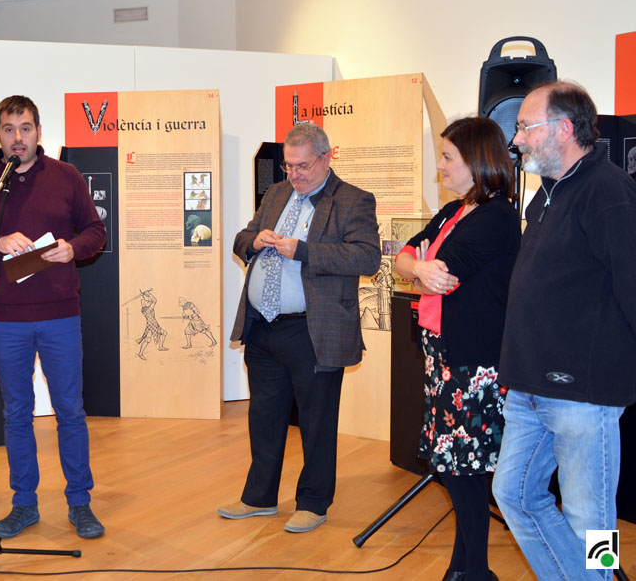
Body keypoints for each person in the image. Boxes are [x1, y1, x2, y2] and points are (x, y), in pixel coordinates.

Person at [492, 81, 636, 580]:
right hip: (530, 385)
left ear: (565, 129)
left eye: (526, 127)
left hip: (583, 393)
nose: (517, 140)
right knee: (513, 494)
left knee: (592, 524)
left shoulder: (608, 190)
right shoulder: (548, 194)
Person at [0, 95, 107, 539]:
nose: (18, 137)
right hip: (8, 318)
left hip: (60, 315)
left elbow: (97, 231)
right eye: (8, 129)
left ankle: (80, 503)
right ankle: (24, 505)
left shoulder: (67, 176)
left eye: (26, 128)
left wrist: (73, 248)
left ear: (40, 131)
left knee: (69, 411)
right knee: (17, 413)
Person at [221, 123, 380, 533]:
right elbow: (243, 236)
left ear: (327, 157)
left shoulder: (352, 200)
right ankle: (259, 498)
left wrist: (303, 251)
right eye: (289, 166)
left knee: (316, 420)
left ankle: (313, 502)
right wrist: (254, 243)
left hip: (313, 330)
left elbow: (366, 258)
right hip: (264, 326)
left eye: (303, 166)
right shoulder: (276, 194)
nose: (295, 174)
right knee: (264, 416)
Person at [394, 117, 520, 581]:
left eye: (448, 157)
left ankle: (476, 571)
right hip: (444, 361)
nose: (440, 167)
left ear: (477, 161)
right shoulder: (454, 212)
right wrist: (417, 266)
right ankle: (462, 568)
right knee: (454, 468)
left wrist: (423, 267)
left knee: (464, 473)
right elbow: (402, 253)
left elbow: (445, 272)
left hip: (474, 365)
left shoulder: (497, 217)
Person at [136, 288, 168, 359]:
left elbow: (152, 301)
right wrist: (149, 294)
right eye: (146, 302)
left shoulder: (147, 305)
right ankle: (140, 353)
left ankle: (161, 346)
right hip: (151, 325)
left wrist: (146, 294)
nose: (147, 302)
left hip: (154, 323)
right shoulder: (146, 309)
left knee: (164, 333)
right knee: (148, 339)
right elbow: (154, 300)